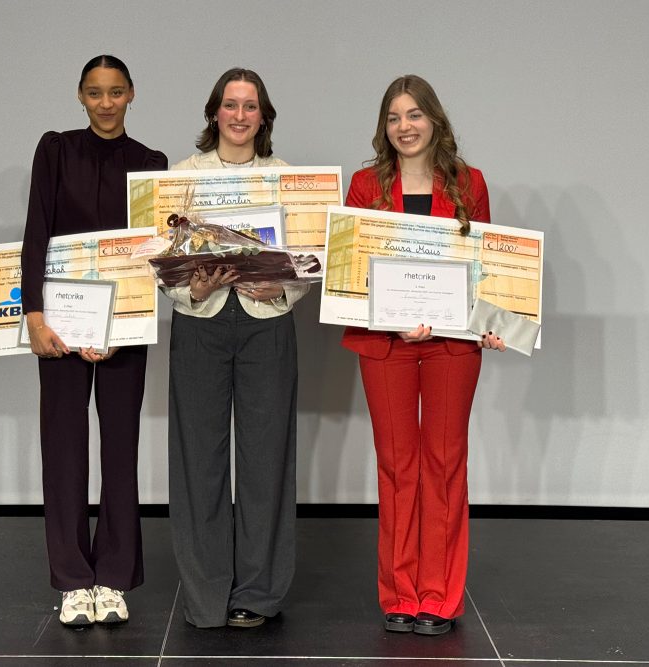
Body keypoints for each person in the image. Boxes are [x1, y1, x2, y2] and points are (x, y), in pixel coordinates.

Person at [342, 75, 506, 637]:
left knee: (444, 462)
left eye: (414, 115)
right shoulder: (365, 185)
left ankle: (439, 595)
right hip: (384, 344)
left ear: (435, 120)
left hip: (452, 345)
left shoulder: (468, 182)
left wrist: (494, 320)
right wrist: (394, 318)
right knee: (396, 464)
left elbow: (485, 267)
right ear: (383, 127)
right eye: (393, 117)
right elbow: (351, 274)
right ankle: (400, 592)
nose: (404, 127)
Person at [20, 55, 167, 627]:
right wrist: (35, 317)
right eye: (94, 93)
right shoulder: (55, 150)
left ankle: (114, 578)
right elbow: (37, 230)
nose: (105, 103)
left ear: (132, 94)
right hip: (57, 325)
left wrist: (119, 328)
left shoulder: (150, 164)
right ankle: (73, 581)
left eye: (115, 92)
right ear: (80, 96)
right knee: (62, 450)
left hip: (122, 331)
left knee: (120, 450)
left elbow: (148, 256)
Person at [163, 68, 307, 629]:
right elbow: (164, 257)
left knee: (266, 460)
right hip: (199, 322)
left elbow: (308, 254)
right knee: (197, 460)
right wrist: (188, 286)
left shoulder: (289, 178)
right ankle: (204, 594)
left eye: (251, 107)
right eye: (230, 105)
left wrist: (285, 285)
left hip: (266, 322)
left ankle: (258, 592)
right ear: (214, 113)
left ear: (264, 116)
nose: (240, 116)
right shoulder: (182, 177)